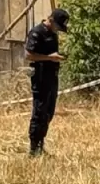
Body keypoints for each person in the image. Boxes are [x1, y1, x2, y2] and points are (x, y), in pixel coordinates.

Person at [24, 8, 69, 156]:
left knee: (49, 112)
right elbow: (29, 55)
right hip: (40, 77)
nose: (58, 30)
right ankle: (33, 148)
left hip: (52, 76)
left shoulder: (52, 34)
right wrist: (50, 58)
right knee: (39, 111)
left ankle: (41, 144)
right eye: (58, 26)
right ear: (51, 20)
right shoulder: (37, 32)